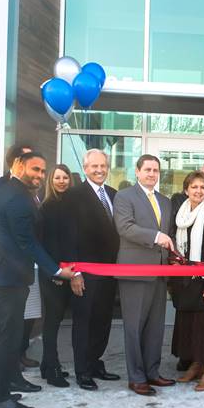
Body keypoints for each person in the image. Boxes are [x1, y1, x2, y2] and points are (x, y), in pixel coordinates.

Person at [0, 152, 74, 408]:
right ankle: (0, 398)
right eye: (35, 169)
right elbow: (27, 243)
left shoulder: (8, 190)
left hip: (1, 275)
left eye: (43, 171)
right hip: (9, 278)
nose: (39, 175)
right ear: (19, 166)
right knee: (7, 338)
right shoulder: (17, 198)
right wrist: (57, 270)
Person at [114, 154, 176, 396]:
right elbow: (125, 227)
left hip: (159, 272)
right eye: (147, 169)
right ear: (137, 171)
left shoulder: (165, 201)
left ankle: (152, 372)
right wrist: (155, 236)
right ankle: (136, 377)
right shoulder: (124, 196)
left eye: (156, 170)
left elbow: (168, 233)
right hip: (134, 271)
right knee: (134, 326)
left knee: (155, 327)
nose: (152, 174)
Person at [62, 149, 121, 391]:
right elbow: (68, 237)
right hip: (84, 274)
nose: (99, 170)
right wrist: (74, 272)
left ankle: (95, 362)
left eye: (103, 166)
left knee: (103, 321)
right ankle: (82, 371)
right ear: (85, 168)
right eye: (94, 166)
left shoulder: (114, 194)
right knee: (83, 322)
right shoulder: (73, 196)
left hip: (109, 274)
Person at [169, 171, 204, 392]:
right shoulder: (180, 211)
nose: (199, 191)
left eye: (203, 187)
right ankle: (196, 363)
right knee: (189, 325)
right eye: (194, 187)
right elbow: (173, 240)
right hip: (184, 280)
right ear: (186, 190)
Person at [37, 164, 73, 387]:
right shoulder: (47, 207)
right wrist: (54, 272)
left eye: (65, 177)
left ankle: (46, 364)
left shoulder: (69, 205)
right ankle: (53, 370)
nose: (61, 181)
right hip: (53, 273)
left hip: (66, 272)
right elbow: (43, 244)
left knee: (56, 320)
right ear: (51, 180)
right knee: (51, 322)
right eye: (57, 177)